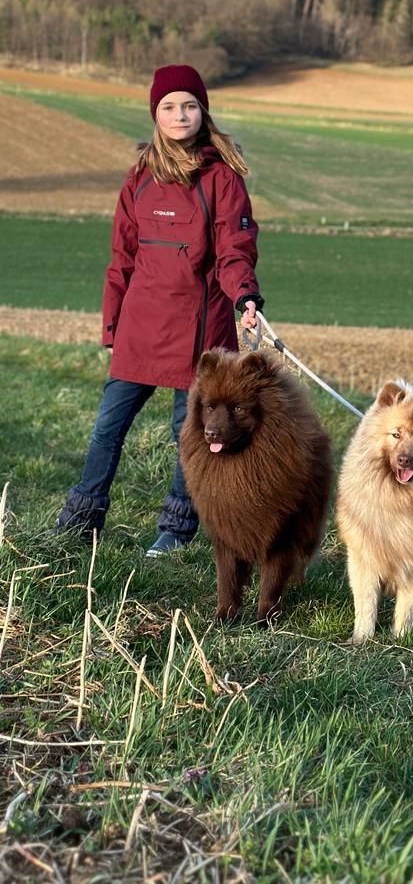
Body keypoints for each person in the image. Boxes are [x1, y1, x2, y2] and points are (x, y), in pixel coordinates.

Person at [55, 64, 264, 556]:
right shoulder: (139, 179)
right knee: (107, 427)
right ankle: (80, 520)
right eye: (169, 106)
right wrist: (112, 324)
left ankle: (175, 529)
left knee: (189, 435)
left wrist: (245, 297)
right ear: (156, 114)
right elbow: (121, 258)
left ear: (203, 111)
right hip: (139, 327)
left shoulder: (223, 178)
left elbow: (235, 248)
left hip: (199, 329)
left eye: (189, 105)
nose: (180, 114)